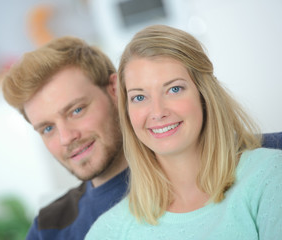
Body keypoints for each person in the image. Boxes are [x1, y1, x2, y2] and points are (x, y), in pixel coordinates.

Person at [86, 25, 282, 239]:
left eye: (174, 89)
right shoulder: (108, 231)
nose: (158, 112)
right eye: (140, 97)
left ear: (204, 94)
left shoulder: (270, 177)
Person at [2, 36, 128, 240]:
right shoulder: (48, 228)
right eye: (48, 128)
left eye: (76, 110)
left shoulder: (183, 183)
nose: (66, 138)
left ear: (114, 91)